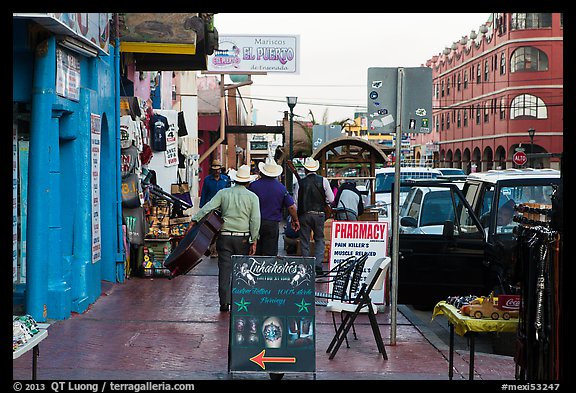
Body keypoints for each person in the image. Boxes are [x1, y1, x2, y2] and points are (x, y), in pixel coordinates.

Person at [189, 164, 260, 312]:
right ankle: (239, 301)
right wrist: (254, 240)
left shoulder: (223, 193)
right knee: (241, 270)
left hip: (225, 237)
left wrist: (195, 220)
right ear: (247, 182)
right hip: (243, 238)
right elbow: (255, 220)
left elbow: (208, 207)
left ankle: (224, 302)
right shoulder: (253, 197)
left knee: (224, 269)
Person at [249, 157, 300, 256]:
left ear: (262, 172)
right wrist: (296, 220)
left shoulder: (253, 186)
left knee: (256, 251)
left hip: (255, 222)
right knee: (270, 252)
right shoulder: (281, 188)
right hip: (272, 223)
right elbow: (291, 207)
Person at [293, 157, 335, 275]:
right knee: (319, 240)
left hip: (304, 215)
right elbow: (331, 199)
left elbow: (295, 203)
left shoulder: (300, 183)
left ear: (305, 169)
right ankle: (318, 266)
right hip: (319, 214)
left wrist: (294, 218)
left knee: (305, 241)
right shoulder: (323, 180)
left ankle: (307, 266)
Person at [200, 159, 231, 257]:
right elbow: (204, 193)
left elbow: (229, 193)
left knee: (221, 229)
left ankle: (219, 248)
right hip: (211, 208)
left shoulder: (226, 179)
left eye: (218, 169)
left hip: (223, 208)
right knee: (212, 229)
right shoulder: (207, 180)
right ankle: (212, 249)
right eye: (214, 169)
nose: (216, 171)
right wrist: (202, 208)